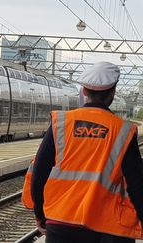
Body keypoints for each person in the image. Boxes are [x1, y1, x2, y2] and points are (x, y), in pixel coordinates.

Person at [30, 62, 143, 242]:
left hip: (60, 224)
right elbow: (137, 184)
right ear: (112, 93)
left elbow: (39, 174)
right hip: (107, 229)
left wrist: (40, 214)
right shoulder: (123, 131)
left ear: (84, 91)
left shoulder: (61, 123)